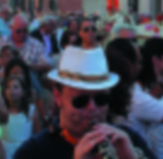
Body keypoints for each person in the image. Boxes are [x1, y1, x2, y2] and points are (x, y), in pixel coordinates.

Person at [13, 46, 152, 159]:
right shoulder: (33, 152)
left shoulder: (128, 140)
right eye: (81, 100)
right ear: (58, 97)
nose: (92, 108)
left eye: (101, 99)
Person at [0, 76, 41, 158]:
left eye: (16, 87)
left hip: (25, 152)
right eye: (8, 87)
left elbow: (38, 135)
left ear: (24, 92)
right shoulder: (1, 112)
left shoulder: (31, 111)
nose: (11, 90)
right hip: (5, 152)